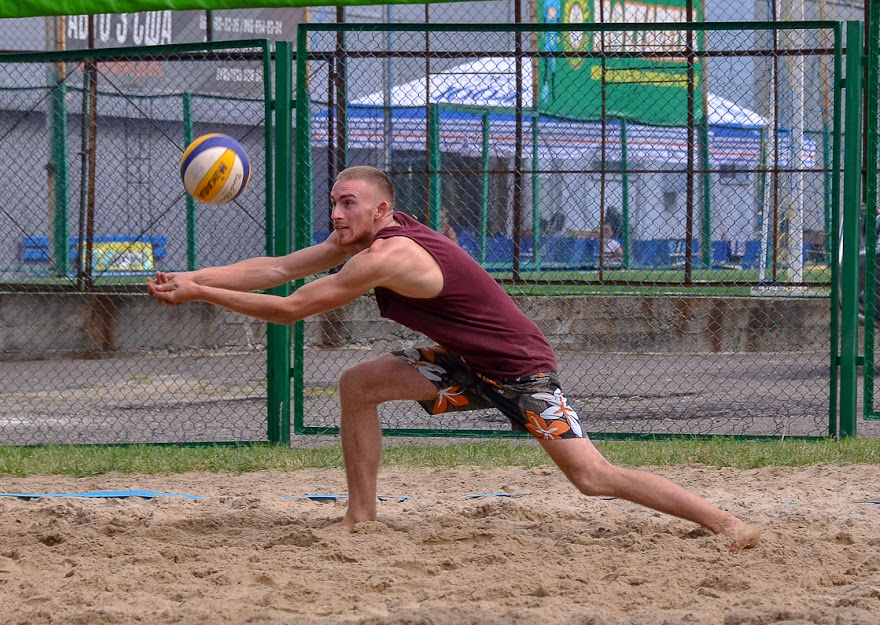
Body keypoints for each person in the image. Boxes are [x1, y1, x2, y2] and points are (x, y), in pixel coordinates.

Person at [147, 165, 760, 553]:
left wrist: (202, 293)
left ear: (382, 211)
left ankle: (726, 523)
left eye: (349, 204)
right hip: (463, 357)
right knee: (359, 384)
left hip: (518, 368)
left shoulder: (387, 256)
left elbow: (290, 307)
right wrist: (191, 275)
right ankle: (362, 518)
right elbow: (279, 268)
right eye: (334, 202)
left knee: (591, 478)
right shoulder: (361, 239)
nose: (336, 214)